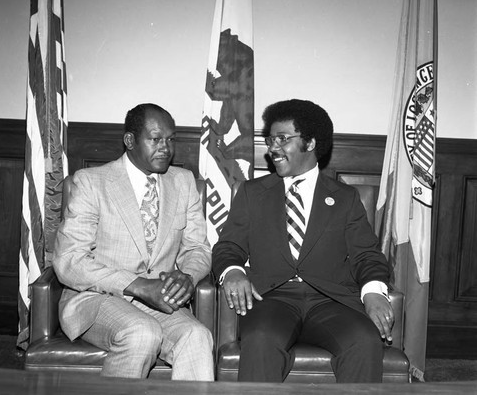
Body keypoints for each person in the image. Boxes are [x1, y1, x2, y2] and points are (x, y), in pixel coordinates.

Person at [212, 99, 394, 383]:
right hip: (272, 300)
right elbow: (228, 246)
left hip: (331, 301)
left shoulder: (345, 198)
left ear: (310, 143)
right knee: (260, 340)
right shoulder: (252, 193)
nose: (273, 148)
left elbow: (366, 255)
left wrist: (373, 291)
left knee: (364, 340)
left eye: (282, 139)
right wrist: (233, 271)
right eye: (270, 140)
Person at [53, 103, 214, 381]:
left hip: (159, 301)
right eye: (155, 139)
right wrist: (137, 285)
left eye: (171, 139)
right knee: (142, 332)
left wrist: (187, 276)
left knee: (197, 336)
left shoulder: (183, 181)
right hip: (97, 297)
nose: (166, 148)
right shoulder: (92, 182)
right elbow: (69, 261)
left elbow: (197, 248)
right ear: (130, 141)